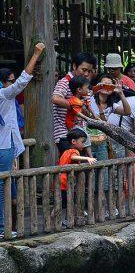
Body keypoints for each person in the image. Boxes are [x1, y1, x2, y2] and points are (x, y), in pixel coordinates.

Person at [0, 42, 44, 239]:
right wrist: (36, 54)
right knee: (3, 186)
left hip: (8, 145)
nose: (12, 83)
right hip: (4, 145)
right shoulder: (3, 94)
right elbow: (23, 81)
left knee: (8, 186)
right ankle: (2, 227)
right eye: (9, 80)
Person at [52, 52, 97, 155]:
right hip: (64, 134)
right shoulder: (65, 82)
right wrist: (77, 105)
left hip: (78, 134)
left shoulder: (84, 84)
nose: (86, 74)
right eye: (84, 70)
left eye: (89, 71)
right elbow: (55, 98)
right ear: (74, 66)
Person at [58, 128, 97, 209]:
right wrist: (87, 158)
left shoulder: (66, 151)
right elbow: (73, 157)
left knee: (60, 204)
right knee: (66, 203)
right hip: (65, 182)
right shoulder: (74, 151)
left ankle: (58, 219)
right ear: (73, 142)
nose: (83, 145)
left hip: (59, 181)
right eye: (82, 142)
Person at [66, 75, 98, 157]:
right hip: (73, 124)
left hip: (81, 123)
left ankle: (87, 156)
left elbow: (89, 106)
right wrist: (87, 118)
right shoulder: (73, 100)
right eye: (86, 88)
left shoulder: (84, 98)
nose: (88, 90)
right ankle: (90, 156)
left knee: (85, 136)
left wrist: (94, 115)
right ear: (79, 90)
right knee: (85, 136)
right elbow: (77, 112)